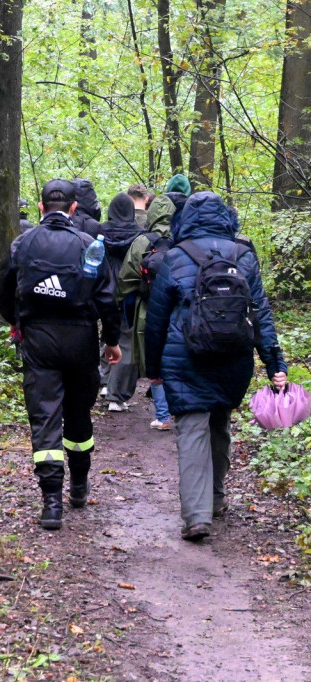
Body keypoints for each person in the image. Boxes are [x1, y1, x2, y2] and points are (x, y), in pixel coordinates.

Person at [145, 191, 287, 542]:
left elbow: (157, 320)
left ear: (185, 219)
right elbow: (261, 314)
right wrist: (274, 364)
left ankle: (197, 516)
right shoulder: (244, 255)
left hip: (185, 357)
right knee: (219, 421)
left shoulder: (175, 257)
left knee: (193, 428)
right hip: (233, 356)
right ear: (227, 217)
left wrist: (154, 368)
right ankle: (216, 497)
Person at [0, 179, 122, 531]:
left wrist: (17, 322)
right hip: (80, 341)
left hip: (38, 342)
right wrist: (111, 340)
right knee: (78, 415)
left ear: (41, 208)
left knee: (45, 417)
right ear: (72, 209)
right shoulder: (88, 245)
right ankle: (78, 487)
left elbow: (5, 291)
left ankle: (51, 503)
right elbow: (107, 299)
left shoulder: (23, 243)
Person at [117, 194, 176, 430]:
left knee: (155, 361)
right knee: (176, 357)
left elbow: (125, 280)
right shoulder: (183, 239)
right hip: (177, 310)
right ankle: (180, 410)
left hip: (147, 311)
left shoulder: (142, 241)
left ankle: (162, 416)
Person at [101, 193, 144, 412]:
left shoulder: (100, 231)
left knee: (106, 336)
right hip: (128, 294)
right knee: (126, 341)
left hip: (102, 290)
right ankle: (116, 396)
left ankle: (104, 382)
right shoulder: (140, 235)